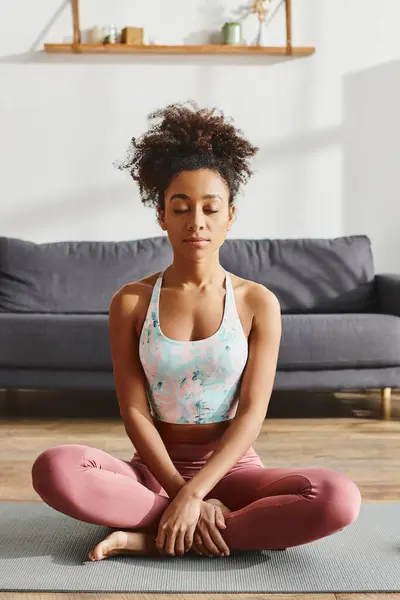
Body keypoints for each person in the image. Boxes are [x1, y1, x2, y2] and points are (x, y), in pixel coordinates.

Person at [31, 101, 362, 562]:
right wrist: (180, 492)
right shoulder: (131, 302)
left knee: (337, 497)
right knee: (56, 468)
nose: (196, 222)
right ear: (162, 216)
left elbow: (251, 414)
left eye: (210, 208)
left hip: (233, 471)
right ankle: (209, 526)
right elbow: (133, 410)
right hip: (153, 472)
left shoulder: (257, 302)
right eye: (180, 207)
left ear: (231, 214)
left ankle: (149, 537)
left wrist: (197, 492)